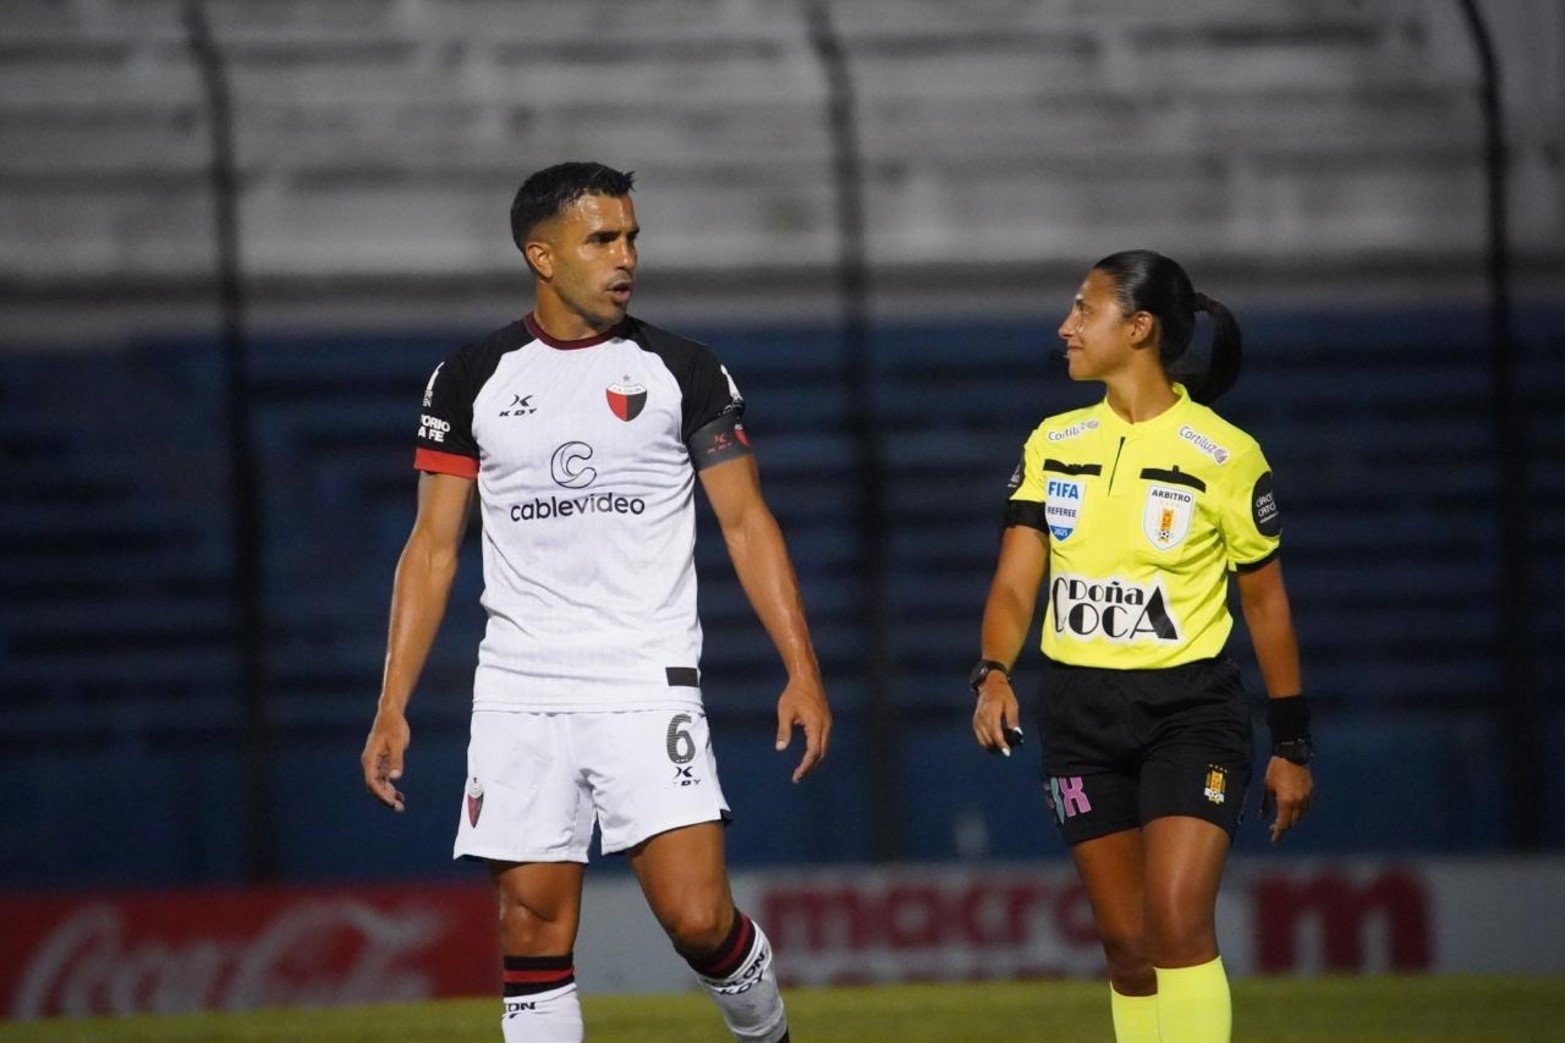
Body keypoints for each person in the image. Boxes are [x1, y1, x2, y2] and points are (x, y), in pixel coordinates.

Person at [361, 161, 830, 1043]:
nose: (626, 257)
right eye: (602, 239)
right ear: (542, 255)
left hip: (643, 680)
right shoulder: (468, 378)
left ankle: (765, 1030)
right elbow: (430, 550)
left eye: (631, 237)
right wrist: (391, 701)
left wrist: (800, 670)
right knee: (531, 930)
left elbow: (746, 523)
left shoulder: (682, 370)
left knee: (697, 919)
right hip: (518, 687)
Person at [970, 251, 1314, 1043]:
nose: (1065, 326)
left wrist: (1292, 741)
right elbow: (1017, 583)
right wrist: (992, 671)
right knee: (1127, 946)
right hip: (1079, 717)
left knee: (1175, 922)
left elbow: (1265, 605)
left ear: (1137, 327)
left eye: (1081, 310)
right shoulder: (1052, 442)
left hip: (1189, 715)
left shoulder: (1223, 454)